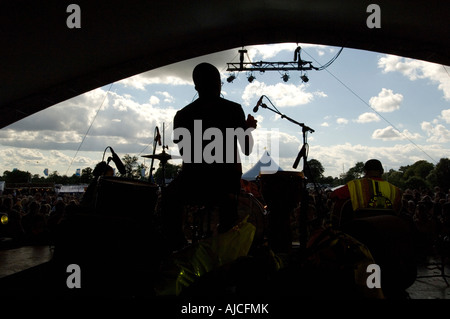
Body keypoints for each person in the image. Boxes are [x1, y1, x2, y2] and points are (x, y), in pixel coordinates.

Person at [161, 62, 257, 251]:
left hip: (193, 183)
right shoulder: (234, 109)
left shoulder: (182, 115)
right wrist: (249, 129)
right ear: (219, 83)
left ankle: (175, 248)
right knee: (228, 204)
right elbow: (247, 149)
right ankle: (226, 248)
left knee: (167, 198)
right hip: (226, 183)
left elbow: (185, 153)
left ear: (196, 86)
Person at [331, 159, 403, 224]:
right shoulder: (396, 191)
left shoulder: (354, 185)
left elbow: (333, 196)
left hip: (360, 231)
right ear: (382, 171)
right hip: (389, 229)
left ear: (365, 171)